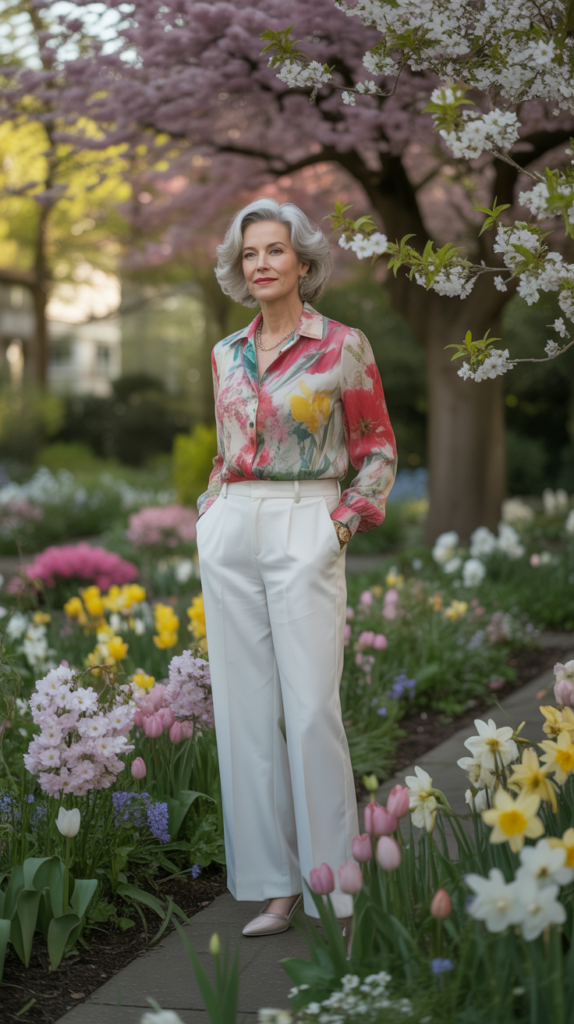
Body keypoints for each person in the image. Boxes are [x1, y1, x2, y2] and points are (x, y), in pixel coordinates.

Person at [196, 197, 396, 937]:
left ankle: (336, 887)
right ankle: (276, 886)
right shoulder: (224, 355)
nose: (261, 265)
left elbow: (376, 450)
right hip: (234, 524)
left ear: (303, 264)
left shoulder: (343, 345)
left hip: (307, 520)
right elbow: (224, 448)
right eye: (250, 254)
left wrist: (338, 527)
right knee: (247, 716)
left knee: (312, 711)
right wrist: (210, 512)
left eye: (275, 251)